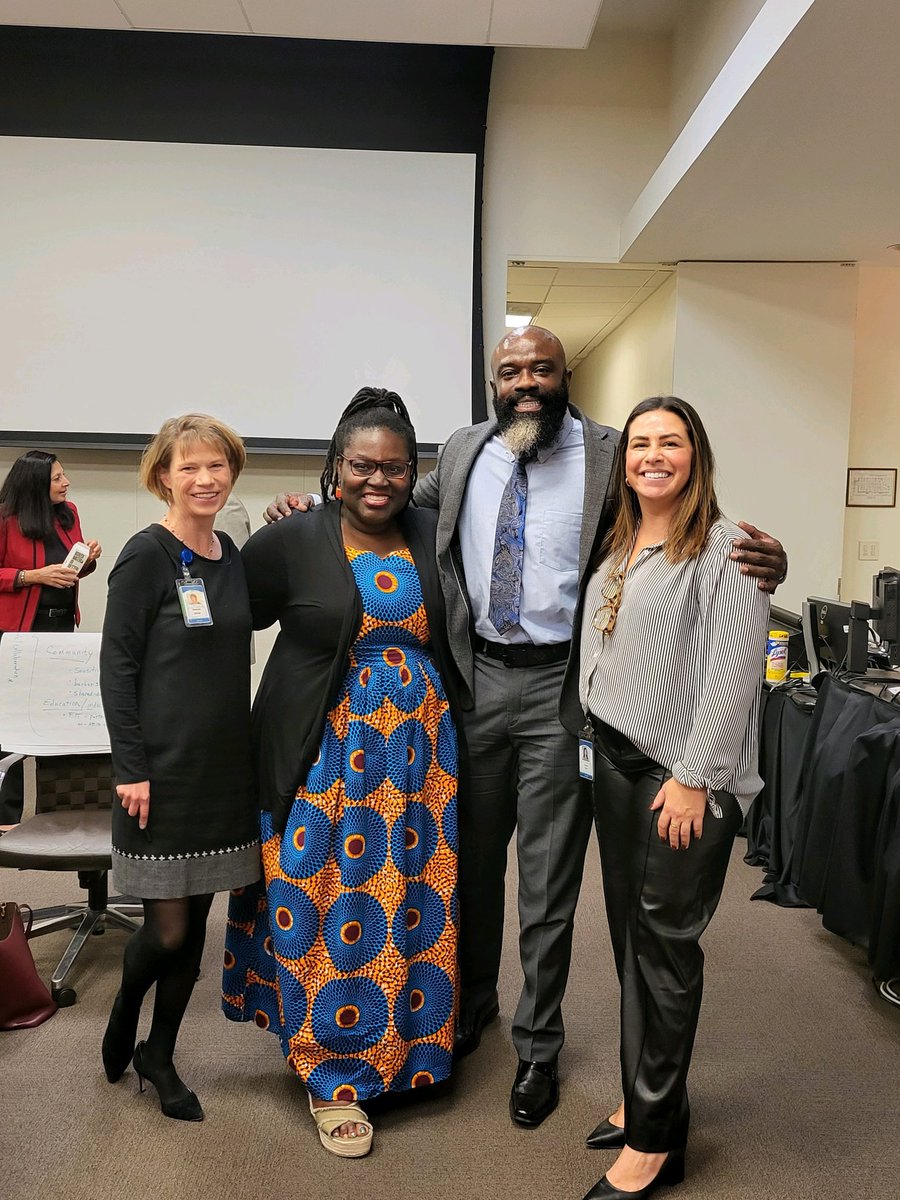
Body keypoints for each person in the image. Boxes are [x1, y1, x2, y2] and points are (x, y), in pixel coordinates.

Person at [265, 326, 787, 1128]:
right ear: (492, 382)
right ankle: (468, 1008)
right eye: (511, 371)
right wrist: (308, 505)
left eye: (542, 368)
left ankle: (538, 1046)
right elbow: (384, 499)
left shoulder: (611, 454)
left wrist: (763, 560)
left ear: (564, 375)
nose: (527, 381)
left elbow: (678, 512)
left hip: (562, 691)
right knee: (461, 863)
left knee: (547, 883)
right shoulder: (465, 451)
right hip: (469, 683)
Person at [223, 389, 463, 1158]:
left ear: (413, 472)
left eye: (395, 467)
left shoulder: (433, 532)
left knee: (409, 901)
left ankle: (411, 1053)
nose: (378, 480)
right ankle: (333, 1075)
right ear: (336, 466)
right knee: (317, 891)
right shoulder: (293, 537)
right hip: (323, 749)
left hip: (422, 761)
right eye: (363, 464)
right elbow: (227, 613)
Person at [561, 396, 769, 1199]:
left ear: (696, 454)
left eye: (670, 442)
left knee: (665, 954)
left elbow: (732, 675)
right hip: (614, 764)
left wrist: (695, 777)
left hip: (677, 778)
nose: (653, 455)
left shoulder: (729, 548)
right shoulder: (621, 539)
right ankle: (654, 1100)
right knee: (631, 946)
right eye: (640, 442)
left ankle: (653, 1146)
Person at [99, 414, 259, 1122]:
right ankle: (126, 1005)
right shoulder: (145, 556)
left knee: (197, 925)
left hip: (224, 769)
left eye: (216, 466)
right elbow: (118, 665)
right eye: (189, 467)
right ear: (163, 475)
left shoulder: (231, 554)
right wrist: (130, 766)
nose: (205, 479)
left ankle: (159, 1053)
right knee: (164, 931)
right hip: (158, 774)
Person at [0, 450, 102, 824]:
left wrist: (87, 559)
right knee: (10, 723)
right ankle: (6, 815)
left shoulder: (68, 512)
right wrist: (31, 576)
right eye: (58, 478)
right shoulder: (5, 519)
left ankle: (56, 812)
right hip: (17, 634)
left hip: (61, 628)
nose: (66, 482)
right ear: (36, 484)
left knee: (57, 719)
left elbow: (69, 572)